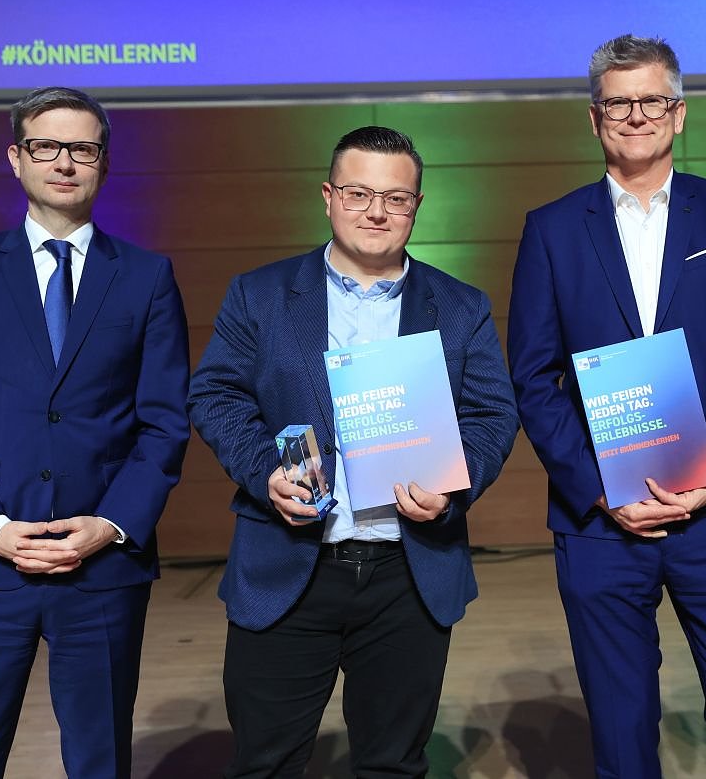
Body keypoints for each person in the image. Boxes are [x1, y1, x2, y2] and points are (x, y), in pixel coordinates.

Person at [188, 126, 519, 778]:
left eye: (395, 198)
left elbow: (492, 415)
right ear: (328, 196)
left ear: (416, 205)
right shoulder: (260, 294)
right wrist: (265, 470)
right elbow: (215, 394)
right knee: (265, 765)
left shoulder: (460, 307)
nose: (376, 212)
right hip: (289, 564)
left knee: (394, 765)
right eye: (358, 193)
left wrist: (455, 486)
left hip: (408, 573)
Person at [508, 34, 706, 778]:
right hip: (601, 523)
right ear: (594, 118)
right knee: (622, 731)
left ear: (679, 112)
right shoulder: (551, 228)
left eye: (652, 101)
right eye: (618, 103)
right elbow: (532, 377)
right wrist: (599, 488)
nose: (636, 115)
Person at [0, 86, 191, 778]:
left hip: (102, 567)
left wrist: (111, 525)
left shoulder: (147, 277)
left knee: (100, 762)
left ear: (104, 163)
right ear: (16, 157)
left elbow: (164, 424)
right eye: (46, 146)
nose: (64, 162)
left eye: (82, 149)